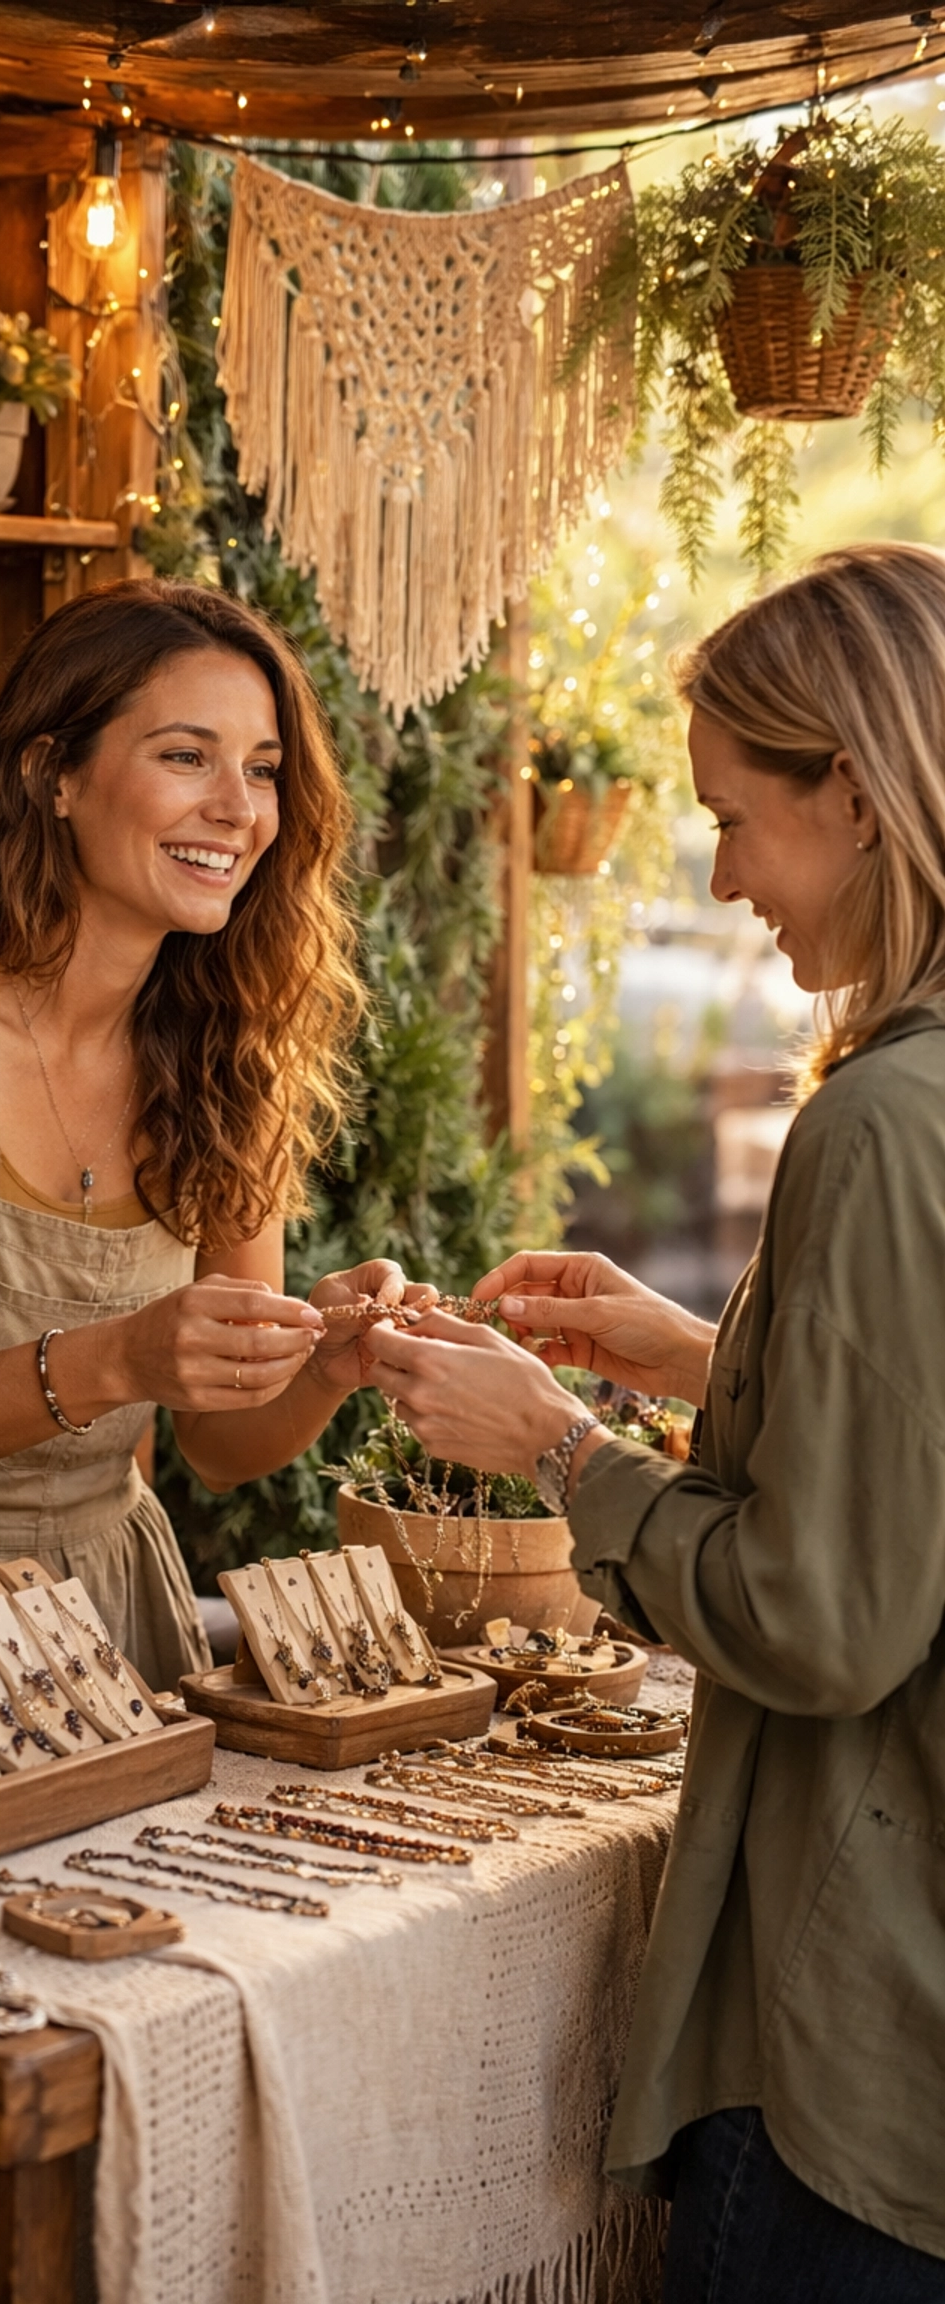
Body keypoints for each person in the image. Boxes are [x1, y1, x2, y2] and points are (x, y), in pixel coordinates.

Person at [358, 543, 945, 2300]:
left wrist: (555, 1441)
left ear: (852, 790)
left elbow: (819, 1618)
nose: (720, 872)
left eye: (734, 817)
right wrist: (704, 1353)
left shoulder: (881, 1126)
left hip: (854, 2021)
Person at [0, 577, 408, 1688]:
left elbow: (220, 1447)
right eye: (187, 757)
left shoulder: (230, 1051)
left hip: (106, 1625)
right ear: (53, 773)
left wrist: (319, 1367)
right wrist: (113, 1360)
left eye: (264, 769)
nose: (239, 809)